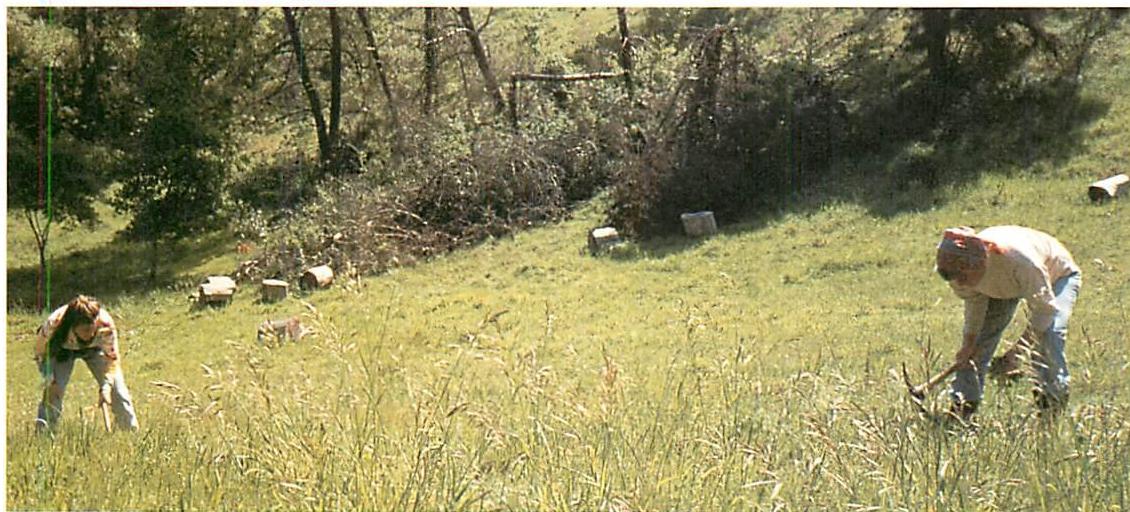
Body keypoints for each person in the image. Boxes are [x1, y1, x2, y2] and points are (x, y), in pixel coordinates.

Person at [934, 226, 1082, 419]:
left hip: (1057, 276)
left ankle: (1051, 404)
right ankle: (963, 407)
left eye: (963, 277)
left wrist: (1017, 353)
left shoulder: (1022, 263)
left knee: (1049, 335)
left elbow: (1044, 310)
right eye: (953, 277)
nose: (959, 283)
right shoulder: (956, 272)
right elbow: (974, 304)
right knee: (976, 345)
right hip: (1004, 285)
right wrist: (969, 345)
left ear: (978, 264)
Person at [35, 295, 139, 431]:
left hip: (96, 350)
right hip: (62, 351)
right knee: (54, 393)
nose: (90, 335)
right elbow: (40, 354)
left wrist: (106, 387)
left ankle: (129, 432)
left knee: (118, 390)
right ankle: (44, 436)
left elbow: (112, 360)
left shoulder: (105, 324)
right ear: (73, 325)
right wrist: (50, 380)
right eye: (85, 330)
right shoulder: (54, 324)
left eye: (92, 329)